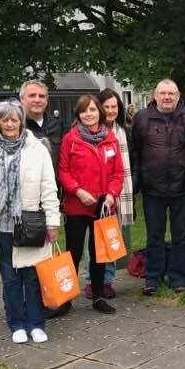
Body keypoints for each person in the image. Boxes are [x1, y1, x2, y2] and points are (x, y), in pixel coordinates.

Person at [0, 102, 60, 343]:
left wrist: (53, 222)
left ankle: (36, 323)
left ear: (21, 121)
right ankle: (16, 323)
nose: (9, 124)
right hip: (2, 224)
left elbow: (49, 187)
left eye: (14, 119)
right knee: (10, 276)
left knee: (33, 276)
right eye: (4, 119)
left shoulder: (38, 149)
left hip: (30, 223)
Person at [58, 94, 124, 314]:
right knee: (73, 252)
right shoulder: (71, 139)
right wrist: (78, 191)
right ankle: (65, 299)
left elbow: (118, 173)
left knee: (99, 254)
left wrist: (113, 194)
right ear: (78, 115)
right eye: (84, 111)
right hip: (77, 205)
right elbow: (63, 171)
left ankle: (97, 296)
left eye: (93, 110)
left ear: (100, 113)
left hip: (102, 206)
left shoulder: (111, 138)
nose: (89, 114)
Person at [131, 79, 185, 294]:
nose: (167, 97)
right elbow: (136, 153)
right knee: (154, 236)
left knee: (181, 235)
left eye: (171, 93)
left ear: (178, 96)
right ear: (155, 95)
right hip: (153, 189)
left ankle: (178, 277)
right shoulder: (141, 118)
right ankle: (153, 277)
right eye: (163, 93)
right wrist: (137, 182)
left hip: (181, 187)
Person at [82, 89, 134, 298]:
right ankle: (91, 280)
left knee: (111, 235)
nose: (111, 111)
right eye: (107, 107)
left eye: (115, 107)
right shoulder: (93, 131)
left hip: (119, 191)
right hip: (95, 194)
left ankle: (107, 280)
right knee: (93, 239)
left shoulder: (123, 130)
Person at [19, 79, 63, 168]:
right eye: (32, 95)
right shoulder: (16, 127)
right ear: (22, 99)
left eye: (42, 96)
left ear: (46, 101)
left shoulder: (56, 125)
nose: (37, 100)